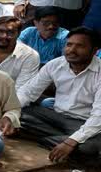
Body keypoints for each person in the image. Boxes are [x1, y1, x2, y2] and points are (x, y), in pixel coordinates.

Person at [17, 27, 101, 162]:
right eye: (69, 45)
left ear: (94, 51)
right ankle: (58, 140)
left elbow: (98, 117)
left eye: (80, 46)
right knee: (18, 113)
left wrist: (71, 141)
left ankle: (45, 139)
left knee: (90, 147)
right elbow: (28, 92)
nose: (71, 50)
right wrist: (9, 115)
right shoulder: (55, 64)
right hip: (55, 115)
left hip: (84, 121)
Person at [0, 16, 39, 90]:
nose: (4, 36)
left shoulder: (30, 56)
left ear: (18, 34)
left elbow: (22, 91)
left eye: (10, 33)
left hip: (11, 99)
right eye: (0, 31)